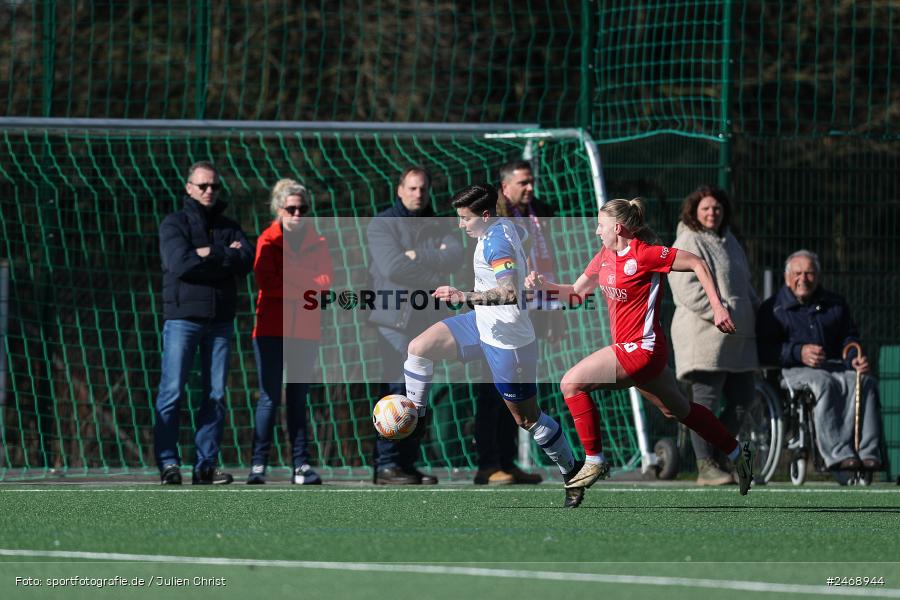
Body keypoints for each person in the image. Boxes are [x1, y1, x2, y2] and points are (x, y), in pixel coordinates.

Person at [526, 198, 756, 498]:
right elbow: (577, 294)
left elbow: (697, 263)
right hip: (635, 352)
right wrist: (543, 286)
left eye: (600, 225)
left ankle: (594, 460)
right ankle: (739, 454)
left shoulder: (646, 254)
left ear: (618, 227)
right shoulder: (604, 256)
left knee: (571, 383)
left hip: (642, 350)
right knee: (679, 411)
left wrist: (717, 306)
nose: (597, 231)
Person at [401, 183, 585, 508]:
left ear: (485, 215)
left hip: (508, 340)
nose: (460, 225)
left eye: (465, 219)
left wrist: (464, 296)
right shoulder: (504, 227)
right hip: (481, 324)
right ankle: (414, 417)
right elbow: (524, 241)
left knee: (527, 419)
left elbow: (509, 292)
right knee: (419, 347)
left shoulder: (497, 241)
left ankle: (573, 472)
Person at [154, 161, 253, 485]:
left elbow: (246, 259)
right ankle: (169, 463)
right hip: (183, 319)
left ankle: (205, 465)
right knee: (171, 391)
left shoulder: (228, 225)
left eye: (214, 186)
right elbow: (179, 263)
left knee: (214, 394)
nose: (209, 191)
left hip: (221, 322)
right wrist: (223, 255)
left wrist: (208, 252)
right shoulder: (174, 224)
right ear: (189, 188)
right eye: (202, 186)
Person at [367, 167, 463, 485]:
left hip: (426, 320)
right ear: (400, 190)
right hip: (393, 320)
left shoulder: (438, 223)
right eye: (412, 188)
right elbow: (393, 267)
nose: (418, 194)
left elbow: (457, 254)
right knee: (396, 391)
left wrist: (417, 255)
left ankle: (407, 464)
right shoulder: (383, 224)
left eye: (422, 189)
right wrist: (436, 276)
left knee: (418, 393)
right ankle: (387, 464)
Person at [756, 250, 882, 473]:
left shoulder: (835, 304)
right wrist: (798, 352)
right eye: (798, 273)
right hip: (792, 370)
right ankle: (838, 454)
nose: (803, 279)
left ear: (818, 276)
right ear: (787, 277)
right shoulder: (773, 308)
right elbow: (764, 349)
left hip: (835, 365)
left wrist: (853, 358)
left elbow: (849, 337)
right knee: (823, 383)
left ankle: (867, 452)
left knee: (866, 383)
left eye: (809, 273)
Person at [669, 185, 759, 486]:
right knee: (704, 402)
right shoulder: (688, 239)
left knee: (744, 398)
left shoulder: (730, 240)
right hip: (704, 335)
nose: (712, 212)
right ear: (694, 211)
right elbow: (685, 289)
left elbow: (744, 285)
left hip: (738, 336)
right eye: (706, 208)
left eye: (717, 208)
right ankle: (705, 465)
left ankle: (721, 454)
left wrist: (756, 310)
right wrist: (720, 312)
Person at [246, 179, 333, 485]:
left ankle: (301, 466)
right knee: (269, 398)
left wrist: (292, 277)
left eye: (302, 209)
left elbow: (324, 285)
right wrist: (305, 283)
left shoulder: (318, 242)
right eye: (291, 209)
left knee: (298, 398)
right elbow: (267, 283)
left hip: (305, 332)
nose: (297, 214)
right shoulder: (266, 240)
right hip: (270, 330)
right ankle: (258, 466)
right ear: (279, 209)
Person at [472, 160, 549, 485]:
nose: (530, 188)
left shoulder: (538, 214)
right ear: (505, 187)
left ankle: (509, 461)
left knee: (518, 390)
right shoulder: (490, 222)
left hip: (527, 313)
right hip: (495, 320)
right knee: (491, 393)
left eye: (531, 182)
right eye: (523, 183)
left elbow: (546, 261)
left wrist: (552, 308)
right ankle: (488, 465)